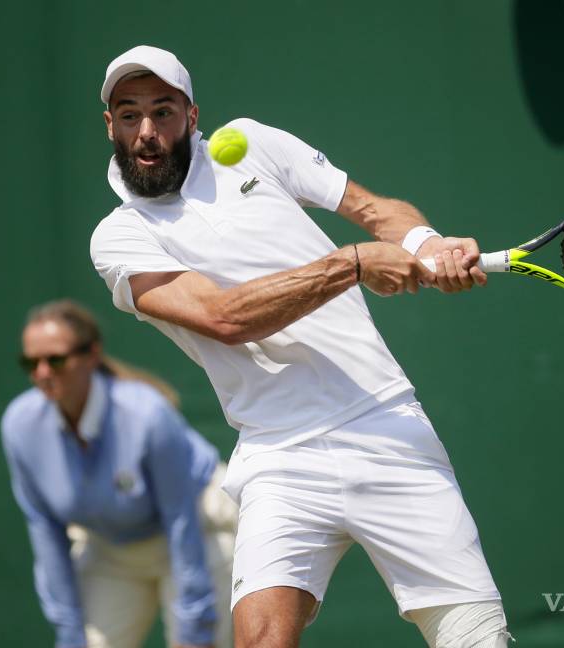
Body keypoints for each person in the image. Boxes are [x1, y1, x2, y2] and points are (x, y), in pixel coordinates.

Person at [90, 45, 512, 648]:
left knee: (477, 640)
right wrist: (352, 264)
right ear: (110, 125)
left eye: (164, 111)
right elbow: (223, 317)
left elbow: (372, 210)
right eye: (129, 115)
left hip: (384, 420)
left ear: (192, 115)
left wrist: (429, 242)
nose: (148, 132)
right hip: (277, 454)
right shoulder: (119, 237)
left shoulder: (253, 144)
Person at [1, 299, 237, 648]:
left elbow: (180, 519)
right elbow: (44, 529)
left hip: (198, 536)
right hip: (111, 550)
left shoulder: (147, 415)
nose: (43, 373)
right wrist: (69, 630)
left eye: (56, 359)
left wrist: (194, 623)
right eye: (30, 363)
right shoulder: (20, 426)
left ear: (92, 354)